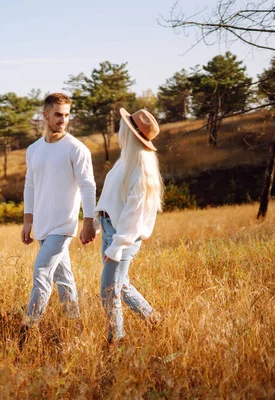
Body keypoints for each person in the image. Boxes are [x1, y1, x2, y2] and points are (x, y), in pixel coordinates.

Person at [20, 92, 96, 343]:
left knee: (42, 272)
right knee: (64, 279)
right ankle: (74, 328)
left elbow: (88, 186)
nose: (63, 120)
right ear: (45, 115)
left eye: (66, 115)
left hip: (63, 225)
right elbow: (30, 185)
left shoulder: (76, 148)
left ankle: (27, 330)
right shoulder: (34, 150)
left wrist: (88, 222)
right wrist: (28, 221)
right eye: (58, 115)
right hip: (41, 223)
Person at [94, 108, 164, 344]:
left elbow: (135, 215)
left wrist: (117, 246)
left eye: (123, 128)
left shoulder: (142, 169)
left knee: (108, 291)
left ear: (131, 133)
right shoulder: (125, 160)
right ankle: (153, 319)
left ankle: (117, 341)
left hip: (123, 237)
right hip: (110, 230)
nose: (118, 132)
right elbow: (109, 196)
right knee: (120, 285)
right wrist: (95, 223)